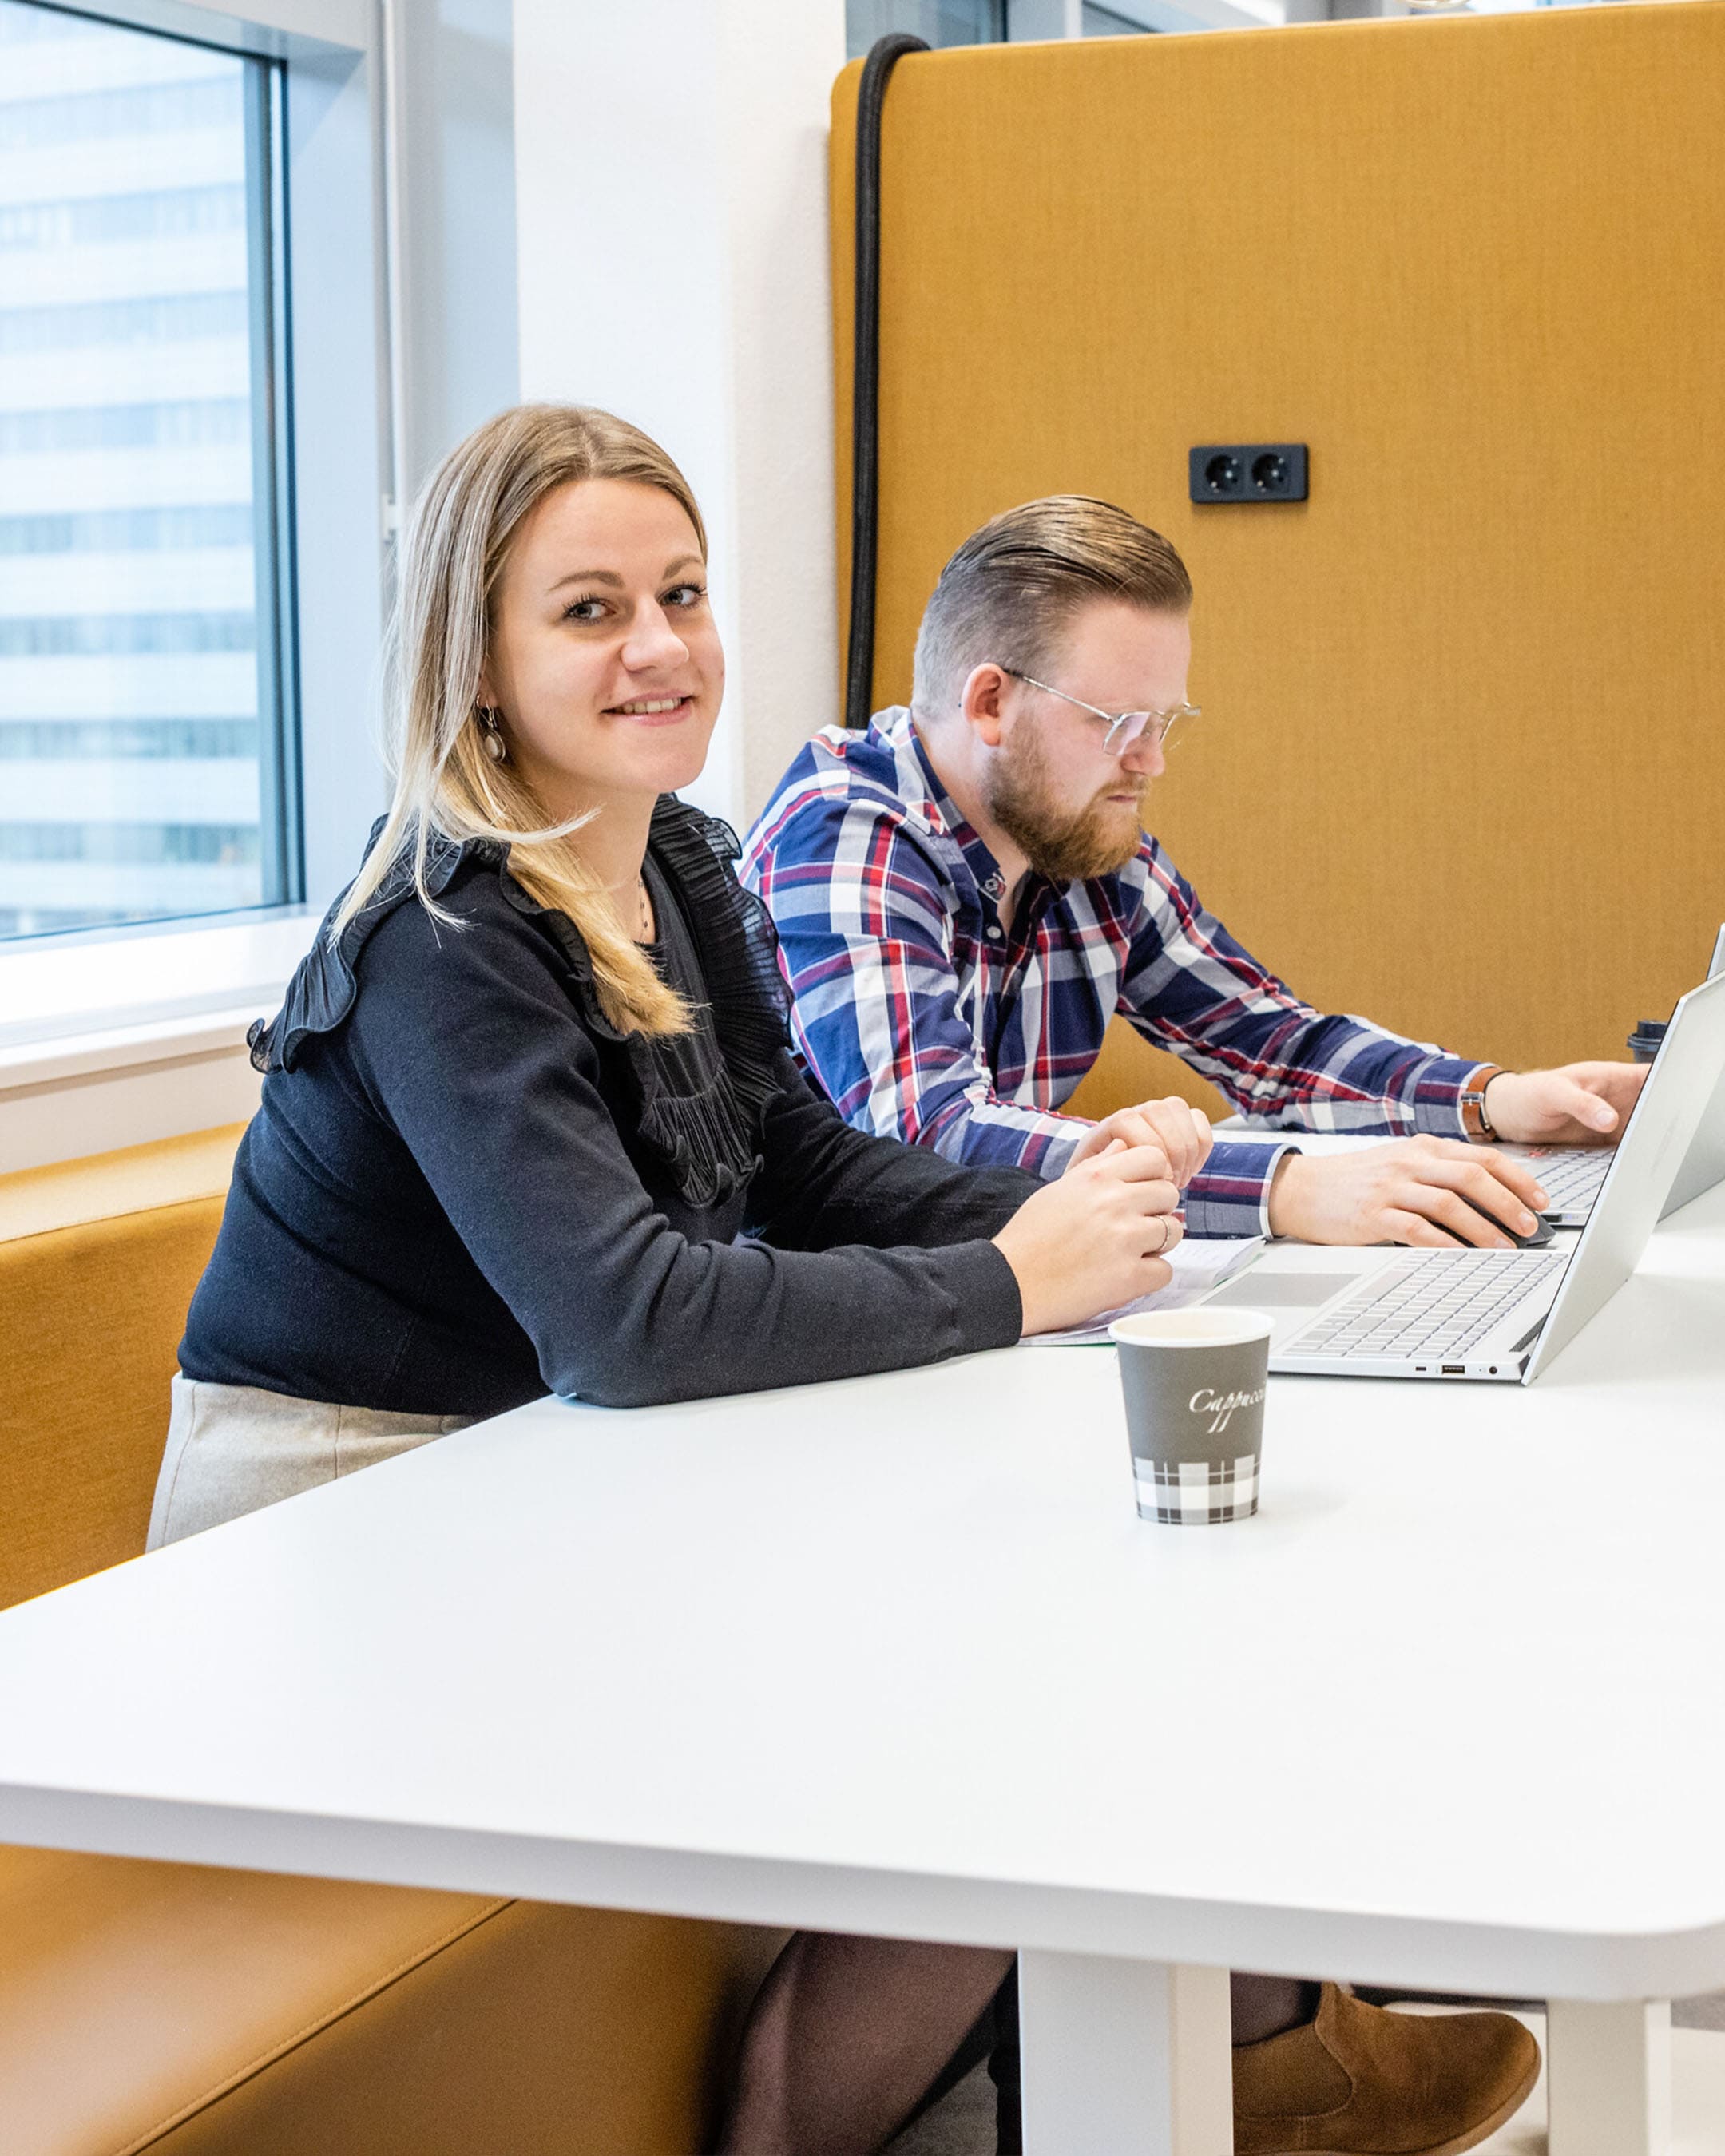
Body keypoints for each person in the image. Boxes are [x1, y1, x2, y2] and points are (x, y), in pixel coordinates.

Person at [150, 412, 1533, 2156]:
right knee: (1000, 1665)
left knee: (1066, 1596)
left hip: (533, 1478)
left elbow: (806, 1169)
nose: (659, 644)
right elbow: (630, 1320)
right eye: (588, 610)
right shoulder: (445, 925)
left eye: (684, 591)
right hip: (335, 1553)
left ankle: (1238, 2056)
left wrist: (1084, 1226)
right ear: (479, 661)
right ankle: (1180, 2073)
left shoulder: (672, 862)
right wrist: (1017, 1284)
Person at [740, 494, 1648, 1250]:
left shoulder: (1078, 839)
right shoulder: (847, 827)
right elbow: (924, 1136)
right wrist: (1289, 1190)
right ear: (990, 702)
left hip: (993, 1304)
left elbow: (1274, 1046)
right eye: (1118, 722)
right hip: (827, 1341)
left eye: (1165, 724)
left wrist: (1501, 1100)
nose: (1151, 763)